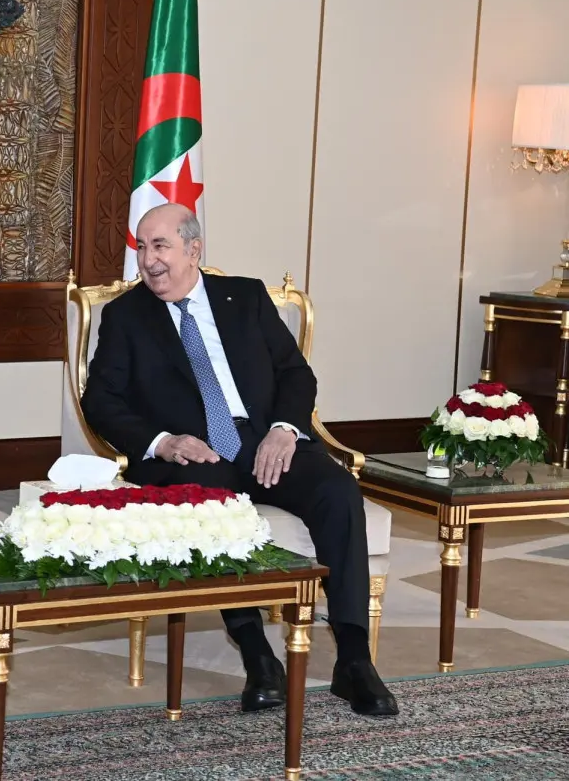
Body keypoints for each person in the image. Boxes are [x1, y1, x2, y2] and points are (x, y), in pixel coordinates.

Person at [81, 203, 398, 717]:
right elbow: (102, 400)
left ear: (194, 249)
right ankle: (258, 657)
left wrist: (283, 429)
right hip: (192, 451)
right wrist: (163, 442)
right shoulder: (127, 315)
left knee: (338, 491)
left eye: (160, 246)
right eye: (142, 247)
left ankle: (354, 661)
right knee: (211, 502)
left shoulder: (245, 297)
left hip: (263, 439)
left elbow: (296, 374)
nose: (148, 261)